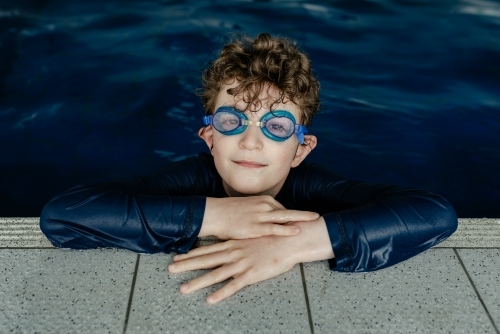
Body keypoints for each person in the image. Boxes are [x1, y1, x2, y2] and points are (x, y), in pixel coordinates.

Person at [40, 33, 458, 304]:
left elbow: (433, 212)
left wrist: (295, 243)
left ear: (300, 149)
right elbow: (64, 213)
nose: (251, 141)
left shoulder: (311, 187)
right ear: (209, 138)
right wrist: (215, 213)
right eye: (231, 120)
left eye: (276, 127)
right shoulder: (193, 178)